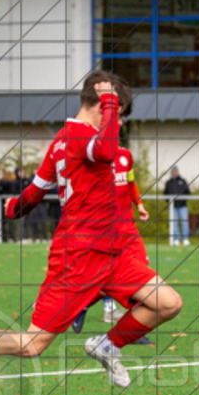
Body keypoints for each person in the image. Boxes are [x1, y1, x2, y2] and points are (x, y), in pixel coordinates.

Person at [0, 71, 183, 389]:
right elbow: (105, 151)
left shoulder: (61, 142)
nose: (115, 122)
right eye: (115, 113)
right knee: (32, 344)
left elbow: (34, 193)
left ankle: (107, 347)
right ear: (103, 103)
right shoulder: (79, 136)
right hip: (79, 256)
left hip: (111, 254)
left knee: (168, 302)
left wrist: (14, 208)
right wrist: (110, 100)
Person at [71, 143, 154, 343]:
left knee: (141, 270)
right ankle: (131, 330)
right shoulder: (92, 158)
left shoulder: (126, 155)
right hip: (106, 229)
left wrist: (140, 205)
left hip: (128, 228)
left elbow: (130, 183)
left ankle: (81, 305)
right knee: (115, 277)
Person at [164, 166, 190, 246]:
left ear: (177, 172)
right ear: (171, 172)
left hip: (182, 206)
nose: (174, 172)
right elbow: (165, 194)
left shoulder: (182, 181)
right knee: (173, 223)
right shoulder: (168, 182)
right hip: (173, 207)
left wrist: (182, 200)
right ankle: (177, 239)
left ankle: (185, 239)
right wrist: (169, 201)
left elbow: (188, 192)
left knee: (184, 222)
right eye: (173, 171)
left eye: (175, 171)